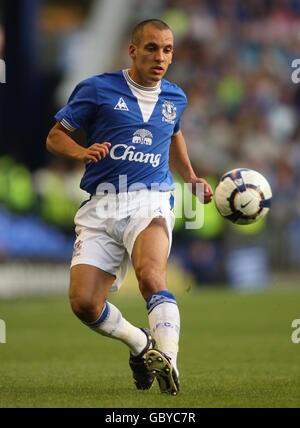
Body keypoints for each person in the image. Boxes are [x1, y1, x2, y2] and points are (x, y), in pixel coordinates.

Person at [46, 19, 213, 396]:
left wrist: (190, 177)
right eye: (152, 48)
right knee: (85, 304)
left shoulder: (175, 97)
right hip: (101, 204)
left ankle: (168, 357)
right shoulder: (97, 88)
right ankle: (141, 343)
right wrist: (81, 151)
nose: (160, 57)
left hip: (150, 198)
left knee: (151, 276)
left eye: (167, 49)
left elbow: (174, 134)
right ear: (133, 50)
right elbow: (55, 136)